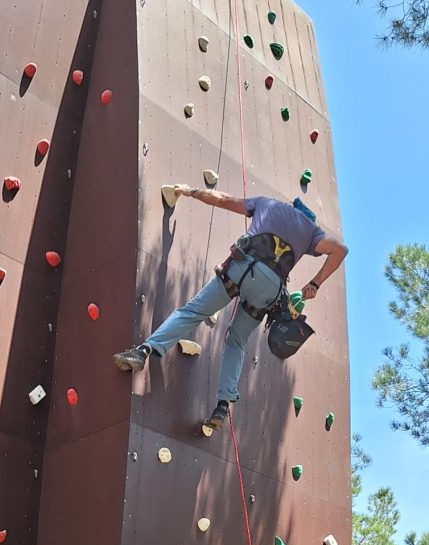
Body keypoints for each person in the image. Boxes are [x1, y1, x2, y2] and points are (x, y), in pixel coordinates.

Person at [113, 184, 348, 429]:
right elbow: (341, 250)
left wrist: (189, 191)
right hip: (269, 292)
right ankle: (223, 406)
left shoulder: (267, 203)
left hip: (240, 270)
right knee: (236, 340)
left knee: (193, 312)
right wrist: (315, 284)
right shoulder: (311, 231)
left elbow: (222, 199)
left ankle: (143, 351)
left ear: (292, 207)